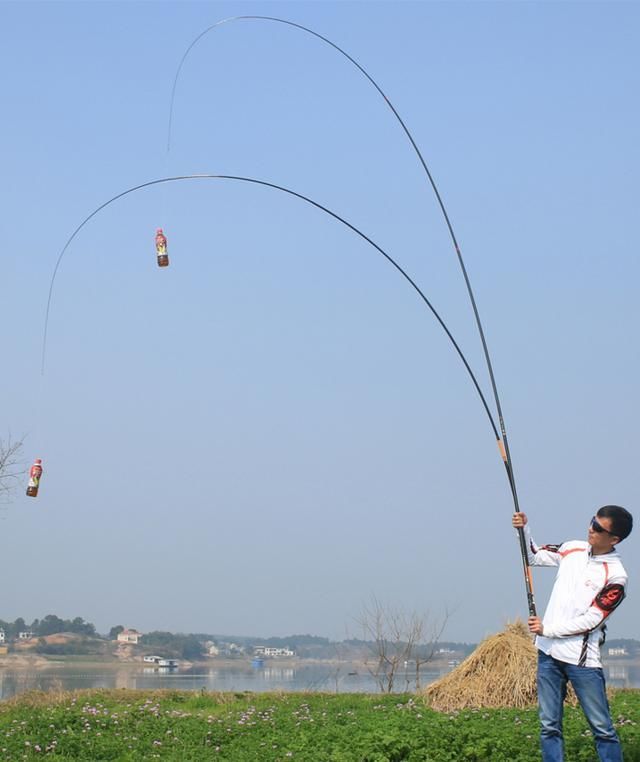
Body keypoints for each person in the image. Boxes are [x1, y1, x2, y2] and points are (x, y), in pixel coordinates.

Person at [512, 506, 633, 762]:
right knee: (548, 726)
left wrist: (548, 629)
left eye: (599, 528)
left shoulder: (616, 577)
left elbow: (591, 621)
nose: (591, 528)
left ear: (614, 539)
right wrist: (524, 529)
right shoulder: (573, 548)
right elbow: (533, 556)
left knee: (602, 729)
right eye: (592, 522)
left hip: (582, 662)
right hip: (547, 653)